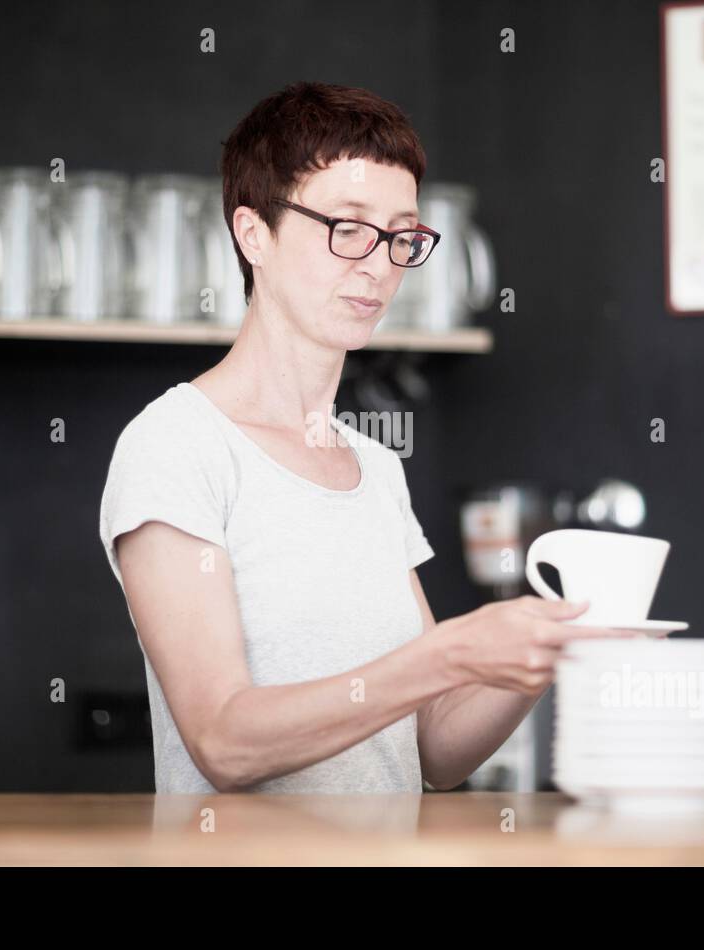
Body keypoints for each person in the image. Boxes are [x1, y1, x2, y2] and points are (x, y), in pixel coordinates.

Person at [99, 81, 608, 794]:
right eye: (347, 226)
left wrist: (534, 651)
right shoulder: (175, 446)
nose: (378, 263)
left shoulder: (373, 465)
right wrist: (451, 655)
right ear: (255, 235)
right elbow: (222, 740)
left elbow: (433, 751)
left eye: (402, 235)